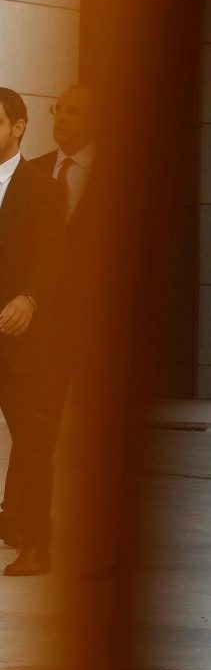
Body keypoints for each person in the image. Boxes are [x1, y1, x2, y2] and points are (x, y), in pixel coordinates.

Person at [0, 88, 64, 575]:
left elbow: (51, 255)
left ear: (18, 126)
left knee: (33, 440)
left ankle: (35, 544)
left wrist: (30, 298)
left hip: (20, 337)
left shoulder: (42, 185)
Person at [32, 86, 94, 219]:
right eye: (58, 109)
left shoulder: (110, 172)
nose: (61, 117)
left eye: (72, 111)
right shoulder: (33, 169)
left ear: (93, 120)